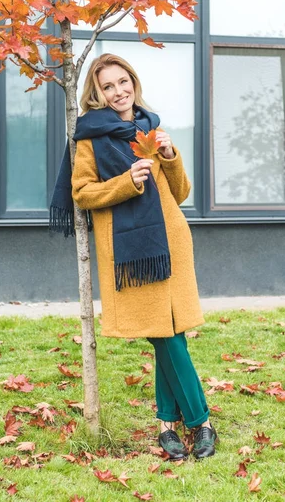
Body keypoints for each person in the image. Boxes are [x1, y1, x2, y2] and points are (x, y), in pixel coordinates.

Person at [51, 53, 217, 461]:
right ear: (97, 93)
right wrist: (126, 182)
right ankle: (200, 421)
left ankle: (166, 425)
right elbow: (82, 193)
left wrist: (170, 156)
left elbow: (179, 193)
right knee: (164, 334)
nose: (118, 91)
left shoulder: (151, 127)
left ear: (133, 82)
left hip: (170, 241)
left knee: (169, 330)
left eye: (123, 82)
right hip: (129, 251)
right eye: (108, 86)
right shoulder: (89, 138)